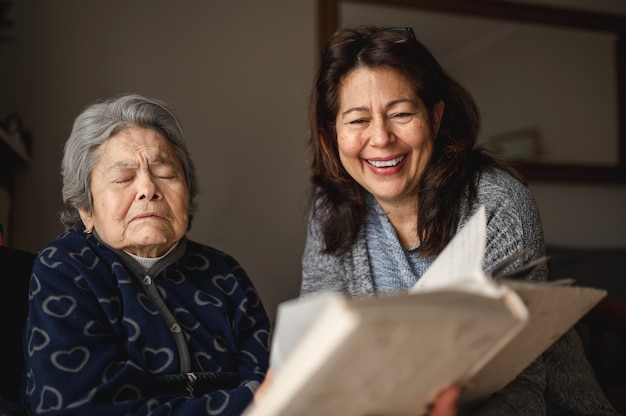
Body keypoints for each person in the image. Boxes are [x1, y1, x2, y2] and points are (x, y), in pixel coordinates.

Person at [300, 24, 618, 415]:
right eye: (357, 120)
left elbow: (520, 382)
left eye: (400, 113)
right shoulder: (331, 207)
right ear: (332, 133)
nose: (381, 138)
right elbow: (316, 349)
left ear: (434, 118)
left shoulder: (496, 201)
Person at [21, 94, 270, 415]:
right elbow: (80, 407)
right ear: (86, 209)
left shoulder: (224, 273)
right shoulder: (65, 266)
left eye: (165, 174)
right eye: (123, 178)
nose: (148, 189)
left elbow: (274, 393)